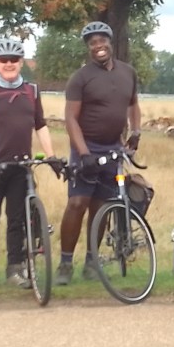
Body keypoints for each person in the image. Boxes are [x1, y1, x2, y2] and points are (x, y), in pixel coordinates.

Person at [56, 21, 142, 285]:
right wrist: (84, 154)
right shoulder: (81, 78)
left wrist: (136, 131)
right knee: (77, 203)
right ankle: (65, 263)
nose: (98, 46)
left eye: (102, 40)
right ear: (88, 48)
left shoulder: (128, 72)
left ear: (110, 42)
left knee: (101, 206)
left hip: (113, 148)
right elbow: (71, 118)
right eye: (92, 43)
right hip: (87, 147)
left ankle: (92, 262)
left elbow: (133, 104)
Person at [0, 38, 63, 289]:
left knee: (16, 220)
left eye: (14, 59)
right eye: (4, 60)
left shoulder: (32, 91)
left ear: (21, 62)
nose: (9, 64)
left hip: (21, 167)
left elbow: (40, 125)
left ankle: (15, 268)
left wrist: (51, 156)